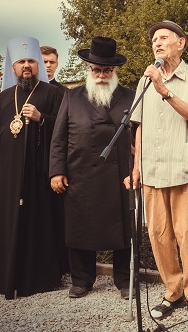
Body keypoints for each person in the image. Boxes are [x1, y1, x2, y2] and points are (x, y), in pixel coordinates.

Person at [124, 20, 188, 325]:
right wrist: (136, 167)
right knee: (159, 234)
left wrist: (164, 90)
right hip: (152, 170)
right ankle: (173, 291)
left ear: (181, 43)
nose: (157, 43)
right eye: (154, 39)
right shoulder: (144, 82)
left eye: (163, 37)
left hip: (185, 168)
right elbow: (139, 126)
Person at [49, 37, 135, 299]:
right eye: (96, 70)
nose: (101, 75)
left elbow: (141, 139)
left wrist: (137, 170)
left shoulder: (130, 96)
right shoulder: (72, 96)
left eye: (106, 70)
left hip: (120, 175)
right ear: (88, 69)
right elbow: (59, 137)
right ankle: (82, 280)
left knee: (123, 229)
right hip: (80, 174)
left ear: (114, 70)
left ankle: (124, 280)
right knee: (79, 227)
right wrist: (56, 171)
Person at [0, 36, 64, 299]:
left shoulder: (53, 93)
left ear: (39, 66)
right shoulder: (4, 97)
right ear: (13, 66)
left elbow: (64, 130)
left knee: (38, 222)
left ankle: (38, 278)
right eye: (21, 61)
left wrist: (41, 118)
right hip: (7, 174)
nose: (26, 66)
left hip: (37, 172)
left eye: (31, 61)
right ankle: (4, 276)